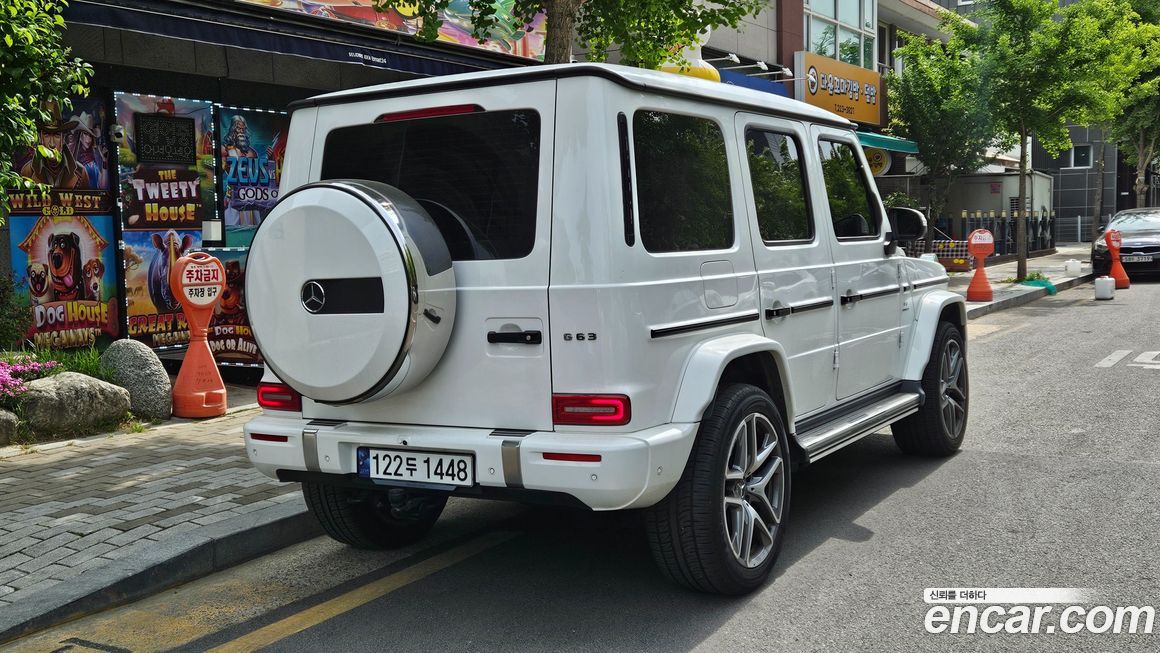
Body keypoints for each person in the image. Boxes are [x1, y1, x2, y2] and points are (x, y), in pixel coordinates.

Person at [20, 101, 89, 189]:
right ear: (40, 138)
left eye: (56, 135)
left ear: (63, 139)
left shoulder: (80, 172)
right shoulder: (28, 172)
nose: (52, 144)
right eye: (47, 135)